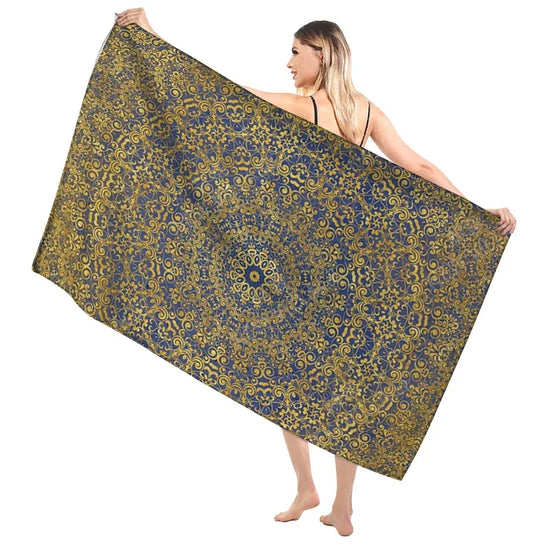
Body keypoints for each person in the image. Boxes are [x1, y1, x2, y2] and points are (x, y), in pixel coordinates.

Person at [115, 9, 517, 537]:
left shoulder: (305, 107)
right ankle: (338, 505)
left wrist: (151, 37)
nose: (288, 62)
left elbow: (218, 91)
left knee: (288, 377)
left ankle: (310, 488)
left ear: (321, 54)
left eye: (295, 52)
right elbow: (418, 166)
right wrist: (476, 211)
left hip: (302, 263)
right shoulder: (365, 113)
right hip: (353, 266)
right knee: (342, 383)